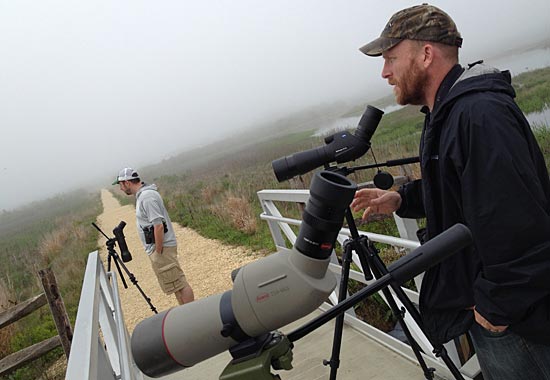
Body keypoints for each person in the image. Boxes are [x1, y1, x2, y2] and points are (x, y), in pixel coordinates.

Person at [351, 4, 550, 379]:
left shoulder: (479, 115)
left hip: (517, 323)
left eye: (392, 58)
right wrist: (403, 198)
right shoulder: (449, 112)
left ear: (426, 54)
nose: (385, 71)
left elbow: (521, 224)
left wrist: (493, 309)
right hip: (497, 311)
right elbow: (465, 189)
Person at [113, 167, 194, 306]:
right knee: (174, 284)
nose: (120, 189)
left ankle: (192, 312)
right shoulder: (143, 196)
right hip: (161, 247)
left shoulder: (147, 197)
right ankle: (186, 313)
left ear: (127, 183)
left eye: (120, 185)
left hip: (162, 247)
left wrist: (158, 250)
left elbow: (159, 225)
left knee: (179, 283)